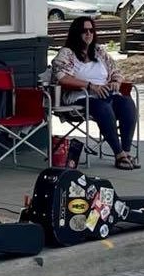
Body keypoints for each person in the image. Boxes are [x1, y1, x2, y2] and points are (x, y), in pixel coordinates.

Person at [51, 15, 138, 169]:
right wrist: (91, 86)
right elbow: (61, 77)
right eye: (84, 31)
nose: (89, 34)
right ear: (76, 33)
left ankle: (126, 151)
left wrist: (115, 82)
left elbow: (115, 70)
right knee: (102, 107)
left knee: (127, 103)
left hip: (106, 93)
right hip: (80, 96)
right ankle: (118, 154)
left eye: (91, 30)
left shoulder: (99, 51)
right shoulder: (66, 53)